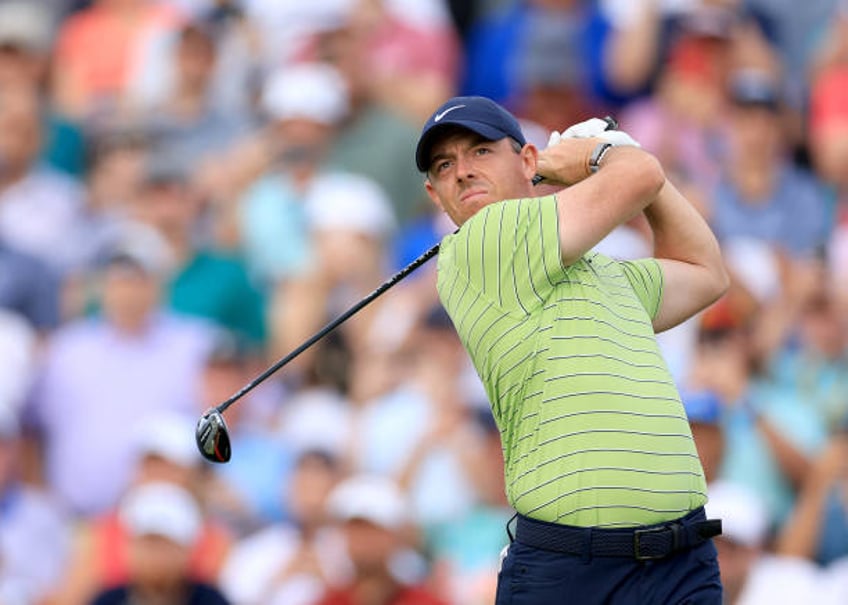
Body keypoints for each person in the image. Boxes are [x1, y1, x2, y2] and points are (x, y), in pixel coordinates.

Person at [414, 95, 729, 603]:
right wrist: (602, 156)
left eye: (480, 152)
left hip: (680, 562)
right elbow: (639, 176)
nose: (463, 172)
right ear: (435, 193)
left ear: (529, 162)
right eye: (445, 165)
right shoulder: (477, 245)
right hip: (571, 574)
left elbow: (705, 273)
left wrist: (622, 161)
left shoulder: (604, 271)